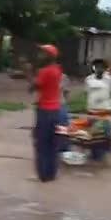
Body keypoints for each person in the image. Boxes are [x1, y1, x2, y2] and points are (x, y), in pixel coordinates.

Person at [26, 44, 62, 182]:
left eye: (42, 53)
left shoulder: (44, 71)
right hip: (55, 110)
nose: (39, 55)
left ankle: (42, 176)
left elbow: (32, 88)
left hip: (44, 111)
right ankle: (51, 175)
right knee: (52, 143)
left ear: (49, 56)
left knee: (41, 143)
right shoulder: (57, 70)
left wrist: (28, 72)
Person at [85, 59, 111, 162]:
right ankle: (94, 153)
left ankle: (101, 154)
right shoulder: (88, 79)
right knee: (93, 132)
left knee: (103, 132)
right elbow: (87, 93)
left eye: (101, 66)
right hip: (92, 109)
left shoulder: (110, 80)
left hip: (104, 109)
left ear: (104, 68)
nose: (99, 68)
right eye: (96, 66)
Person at [58, 72, 71, 152]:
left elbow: (67, 91)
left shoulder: (62, 76)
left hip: (60, 105)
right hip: (46, 107)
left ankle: (63, 149)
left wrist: (66, 104)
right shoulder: (41, 74)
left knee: (63, 129)